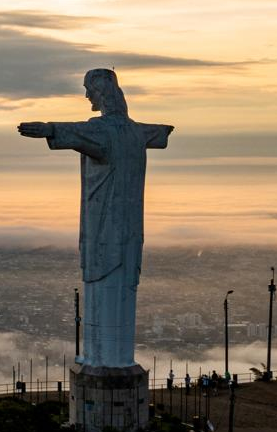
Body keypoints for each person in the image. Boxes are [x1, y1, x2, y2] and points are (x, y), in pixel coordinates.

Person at [18, 68, 173, 368]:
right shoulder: (137, 131)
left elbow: (75, 132)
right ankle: (112, 360)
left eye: (89, 89)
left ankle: (103, 362)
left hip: (102, 228)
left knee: (103, 286)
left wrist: (49, 128)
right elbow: (162, 132)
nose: (86, 95)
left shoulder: (102, 130)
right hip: (130, 229)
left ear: (101, 93)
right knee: (122, 285)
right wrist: (165, 130)